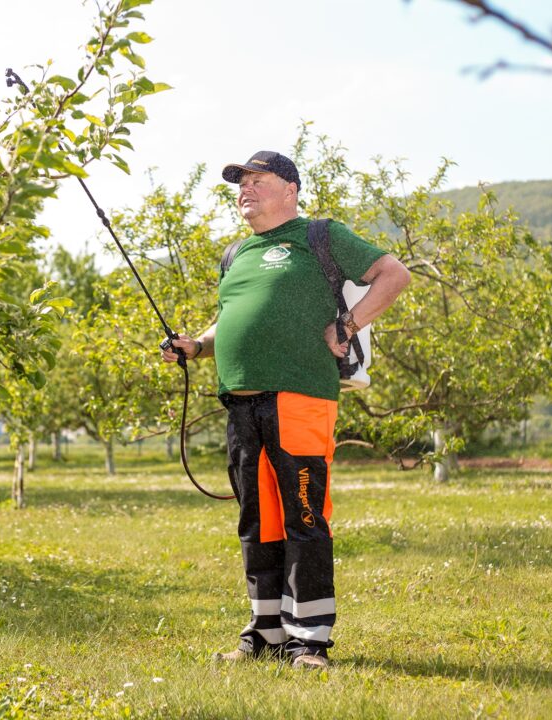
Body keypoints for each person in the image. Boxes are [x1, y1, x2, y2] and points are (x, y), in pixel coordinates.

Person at [161, 150, 410, 670]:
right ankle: (266, 632)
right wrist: (197, 346)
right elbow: (227, 318)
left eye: (257, 179)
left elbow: (393, 274)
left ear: (290, 188)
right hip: (241, 400)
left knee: (303, 515)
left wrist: (347, 325)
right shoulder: (236, 254)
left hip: (300, 396)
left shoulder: (320, 236)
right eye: (240, 182)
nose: (244, 189)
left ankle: (310, 640)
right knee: (258, 521)